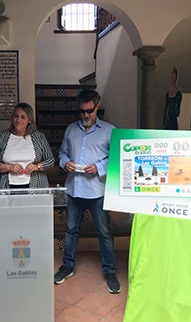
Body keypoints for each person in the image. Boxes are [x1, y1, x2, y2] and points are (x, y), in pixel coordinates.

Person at [54, 89, 120, 294]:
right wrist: (66, 163)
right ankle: (68, 266)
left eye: (89, 110)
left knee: (104, 232)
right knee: (71, 231)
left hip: (97, 191)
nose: (86, 115)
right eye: (82, 111)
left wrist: (99, 167)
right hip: (75, 188)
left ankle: (110, 271)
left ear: (97, 107)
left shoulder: (110, 130)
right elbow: (62, 153)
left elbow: (117, 158)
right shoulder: (71, 129)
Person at [0, 102, 54, 189]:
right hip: (6, 187)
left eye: (23, 117)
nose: (18, 120)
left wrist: (36, 167)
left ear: (29, 120)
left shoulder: (38, 137)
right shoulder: (2, 137)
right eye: (16, 116)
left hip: (35, 186)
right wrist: (9, 167)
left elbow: (50, 161)